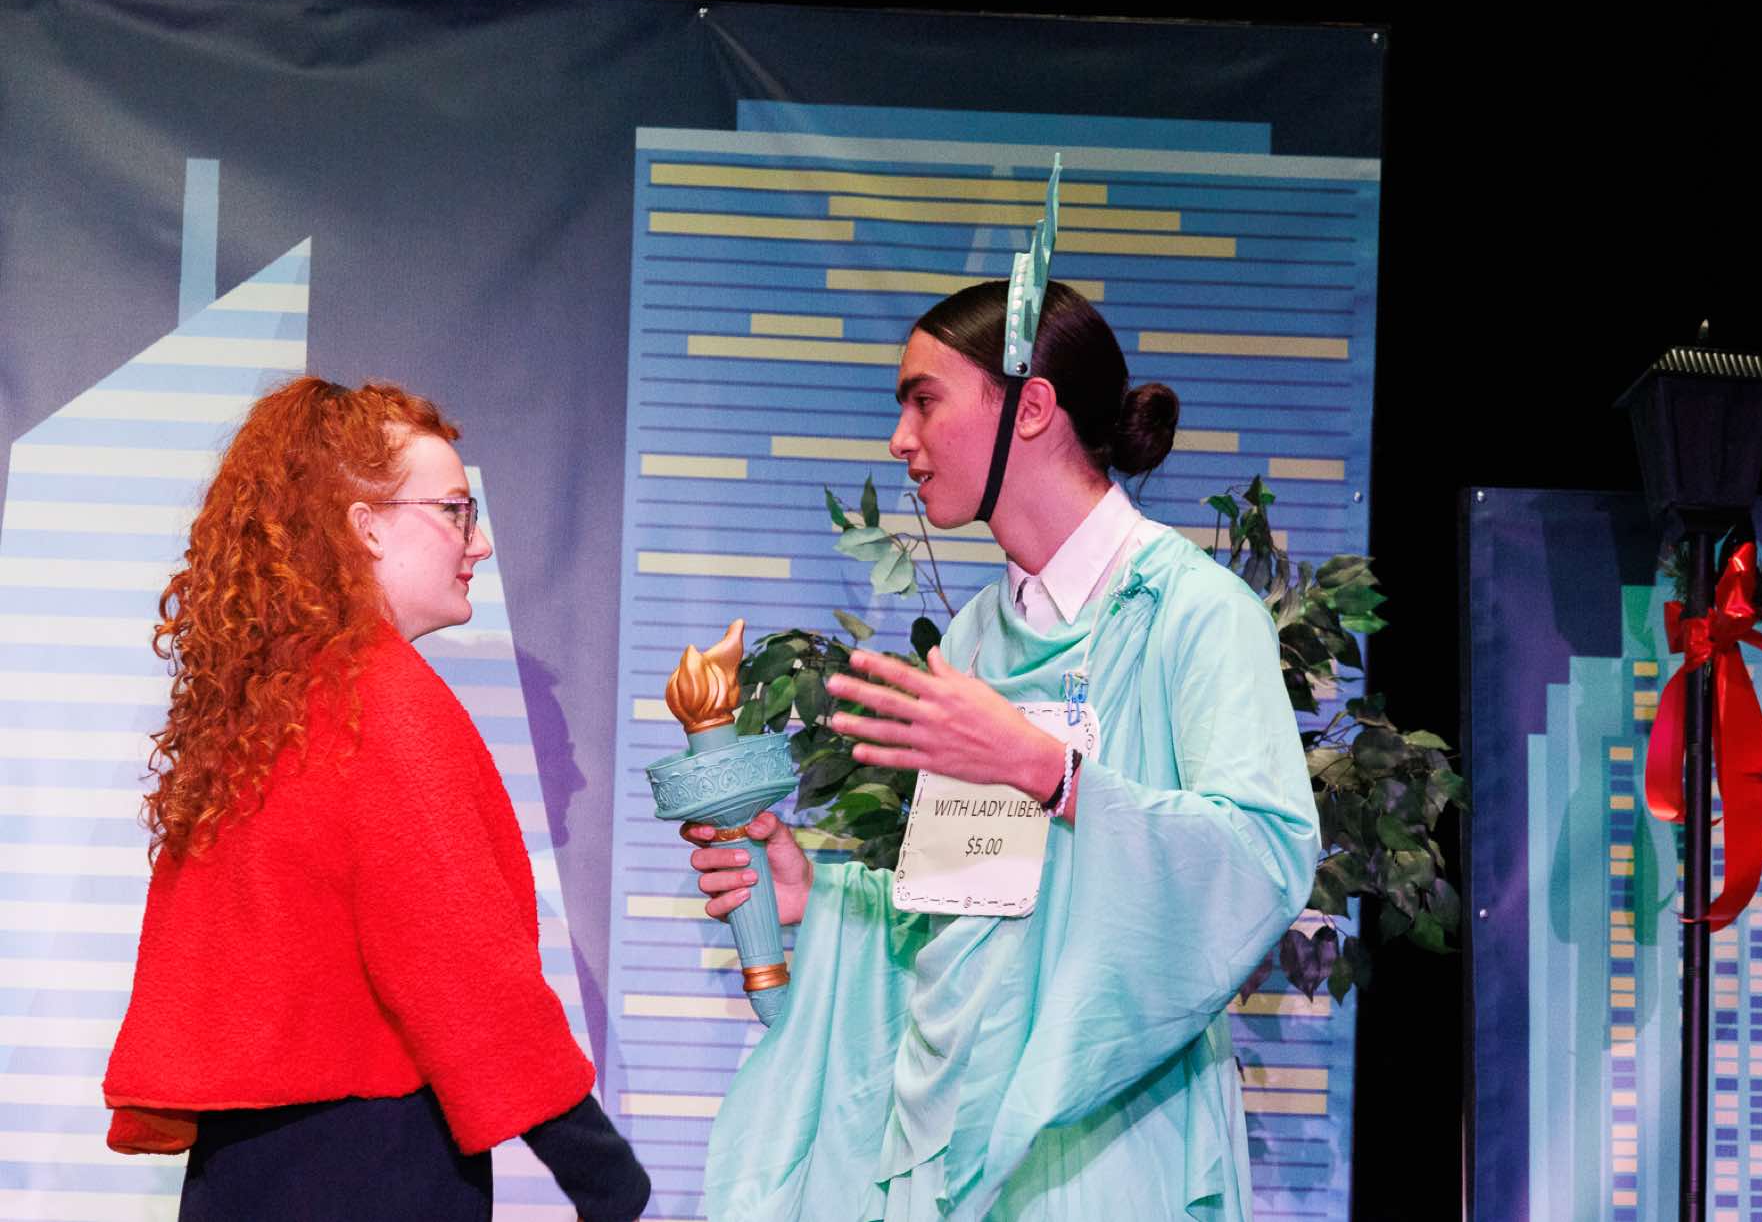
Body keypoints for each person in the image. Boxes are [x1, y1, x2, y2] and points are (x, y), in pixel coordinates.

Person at [685, 281, 1320, 1221]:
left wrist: (1046, 769)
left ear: (1030, 407)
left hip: (1109, 1145)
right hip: (952, 1138)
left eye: (924, 399)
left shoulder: (1196, 613)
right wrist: (817, 902)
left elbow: (1263, 860)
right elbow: (975, 909)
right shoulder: (978, 634)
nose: (899, 439)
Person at [101, 377, 649, 1222]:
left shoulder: (269, 702)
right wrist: (602, 1171)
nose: (480, 541)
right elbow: (457, 959)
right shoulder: (376, 698)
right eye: (457, 510)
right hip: (367, 1172)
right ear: (366, 527)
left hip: (237, 1173)